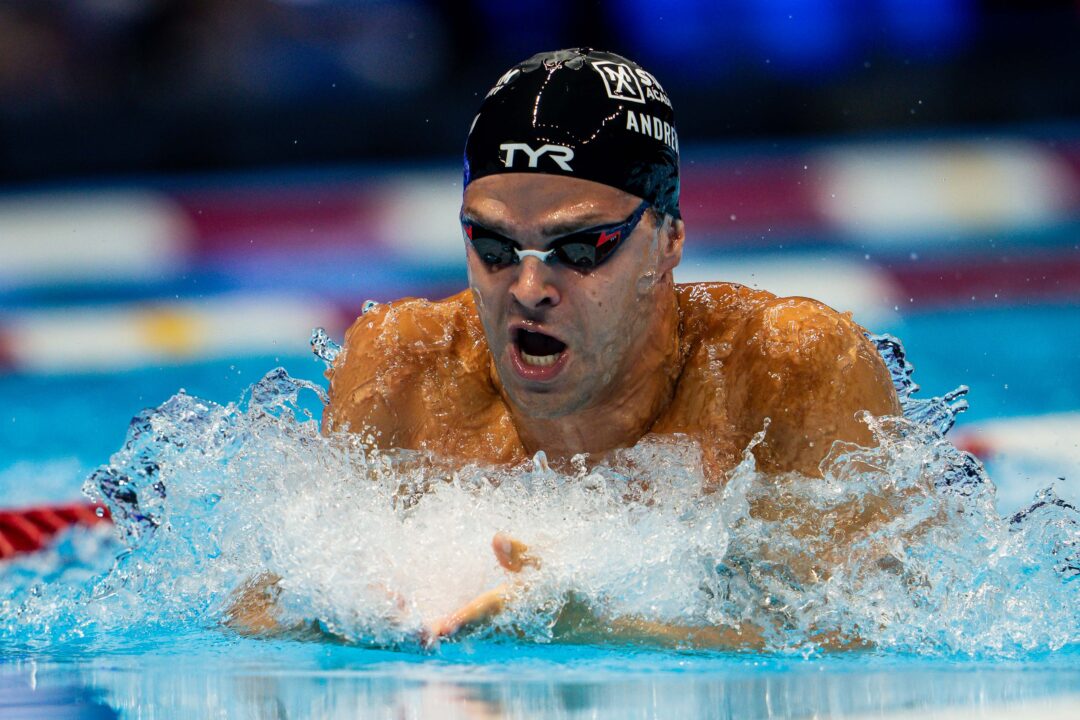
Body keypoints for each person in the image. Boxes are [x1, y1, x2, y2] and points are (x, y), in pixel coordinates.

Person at [228, 48, 901, 647]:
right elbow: (261, 611)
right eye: (492, 247)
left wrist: (603, 628)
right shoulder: (406, 370)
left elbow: (867, 634)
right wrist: (347, 620)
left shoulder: (784, 369)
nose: (528, 288)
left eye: (578, 248)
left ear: (667, 240)